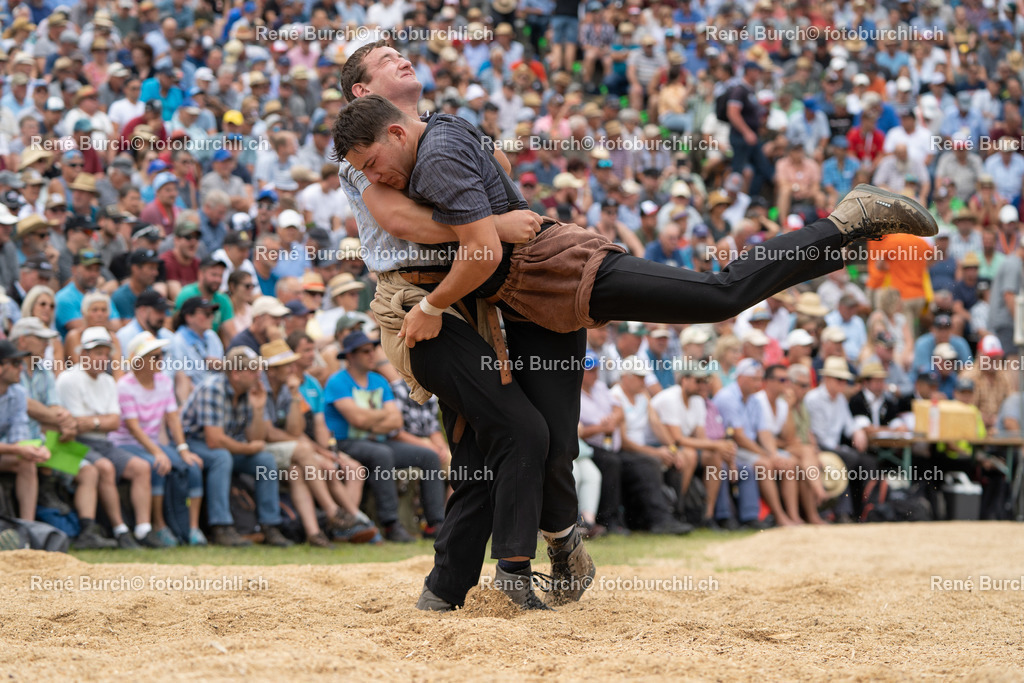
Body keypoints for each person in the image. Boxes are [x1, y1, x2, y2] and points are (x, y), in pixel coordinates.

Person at [333, 42, 935, 612]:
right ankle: (556, 553)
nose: (375, 173)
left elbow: (480, 241)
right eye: (384, 59)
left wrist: (456, 274)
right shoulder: (392, 142)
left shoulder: (435, 145)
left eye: (375, 163)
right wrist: (491, 223)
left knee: (717, 297)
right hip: (514, 297)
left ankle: (845, 223)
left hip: (555, 271)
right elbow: (431, 214)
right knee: (543, 440)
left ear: (391, 130)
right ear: (363, 93)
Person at [324, 331, 446, 542]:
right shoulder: (338, 381)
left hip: (378, 441)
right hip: (346, 443)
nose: (372, 355)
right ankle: (391, 524)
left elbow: (396, 421)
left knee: (428, 456)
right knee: (382, 455)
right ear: (350, 356)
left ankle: (435, 523)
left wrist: (370, 419)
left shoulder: (378, 381)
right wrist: (381, 417)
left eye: (373, 350)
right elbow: (356, 421)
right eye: (365, 351)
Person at [179, 345, 293, 548]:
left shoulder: (248, 391)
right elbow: (214, 440)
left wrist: (258, 409)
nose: (258, 375)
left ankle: (270, 525)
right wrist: (248, 449)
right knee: (222, 457)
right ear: (236, 373)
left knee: (265, 460)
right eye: (252, 370)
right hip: (192, 443)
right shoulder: (213, 388)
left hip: (225, 445)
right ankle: (221, 527)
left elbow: (255, 439)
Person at [55, 326, 159, 548]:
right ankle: (120, 530)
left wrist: (92, 421)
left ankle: (143, 530)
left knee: (141, 467)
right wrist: (99, 422)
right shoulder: (68, 379)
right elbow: (75, 425)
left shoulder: (108, 381)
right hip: (72, 444)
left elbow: (113, 422)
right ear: (84, 354)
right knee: (105, 467)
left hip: (102, 442)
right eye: (97, 353)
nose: (102, 358)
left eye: (105, 353)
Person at [110, 332, 207, 546]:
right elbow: (134, 428)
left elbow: (173, 419)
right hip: (127, 445)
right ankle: (159, 526)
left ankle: (191, 529)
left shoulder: (163, 382)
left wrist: (183, 449)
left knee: (191, 466)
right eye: (154, 356)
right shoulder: (125, 386)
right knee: (157, 465)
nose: (160, 360)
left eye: (160, 354)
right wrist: (158, 452)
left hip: (152, 443)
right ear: (138, 361)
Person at [0, 340, 49, 521]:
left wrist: (37, 449)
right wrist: (19, 449)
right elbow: (16, 447)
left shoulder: (19, 392)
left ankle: (27, 527)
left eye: (20, 363)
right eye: (14, 363)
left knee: (27, 461)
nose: (21, 368)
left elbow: (18, 439)